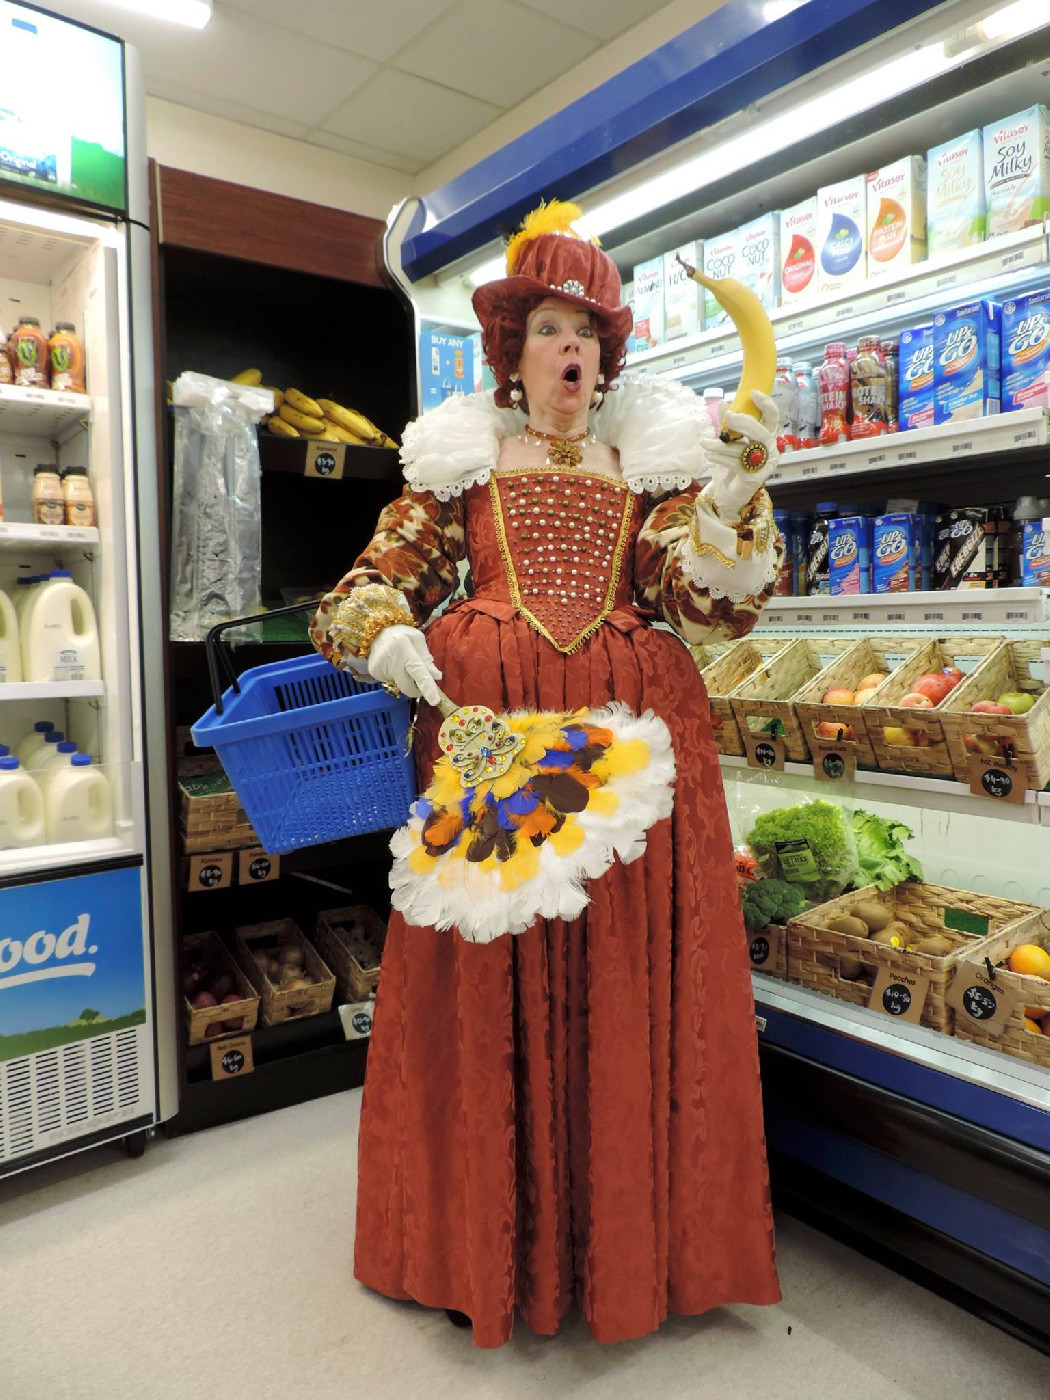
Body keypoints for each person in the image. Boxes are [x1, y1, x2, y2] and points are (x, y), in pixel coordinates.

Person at [310, 201, 784, 1348]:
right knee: (491, 977)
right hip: (491, 741)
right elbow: (355, 586)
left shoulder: (649, 465)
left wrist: (728, 501)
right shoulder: (458, 466)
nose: (574, 349)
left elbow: (711, 604)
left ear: (606, 357)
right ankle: (491, 1237)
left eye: (590, 332)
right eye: (552, 328)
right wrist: (383, 633)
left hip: (626, 755)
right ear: (512, 351)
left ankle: (622, 1239)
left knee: (621, 976)